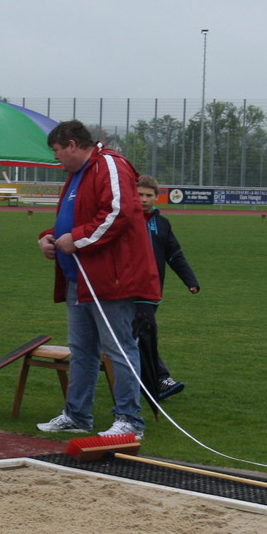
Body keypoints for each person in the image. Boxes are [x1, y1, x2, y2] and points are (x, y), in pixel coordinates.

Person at [36, 120, 160, 440]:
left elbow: (118, 212)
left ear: (72, 145)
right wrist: (49, 237)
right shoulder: (78, 173)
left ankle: (129, 419)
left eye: (57, 151)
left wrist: (76, 240)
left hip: (108, 278)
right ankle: (77, 415)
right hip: (77, 279)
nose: (56, 158)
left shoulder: (109, 165)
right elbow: (76, 216)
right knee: (81, 349)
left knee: (118, 348)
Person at [136, 174, 200, 400]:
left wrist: (190, 280)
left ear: (156, 198)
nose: (143, 199)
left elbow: (174, 255)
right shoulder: (123, 220)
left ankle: (137, 380)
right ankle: (160, 380)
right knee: (144, 334)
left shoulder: (162, 224)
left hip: (152, 290)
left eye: (148, 195)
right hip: (128, 290)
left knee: (137, 336)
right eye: (139, 194)